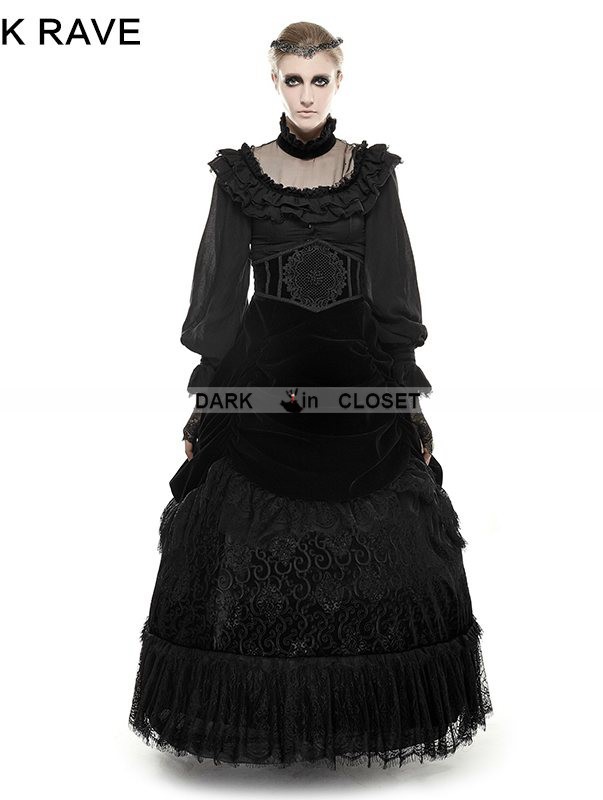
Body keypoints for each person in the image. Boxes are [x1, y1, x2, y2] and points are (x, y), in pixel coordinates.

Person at [128, 21, 493, 770]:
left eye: (318, 79)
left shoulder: (373, 175)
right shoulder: (239, 176)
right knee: (242, 522)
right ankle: (262, 705)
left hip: (356, 371)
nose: (305, 94)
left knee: (385, 523)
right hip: (266, 374)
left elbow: (394, 287)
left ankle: (362, 705)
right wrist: (207, 398)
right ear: (274, 81)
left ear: (337, 82)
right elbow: (219, 295)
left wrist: (406, 393)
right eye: (293, 79)